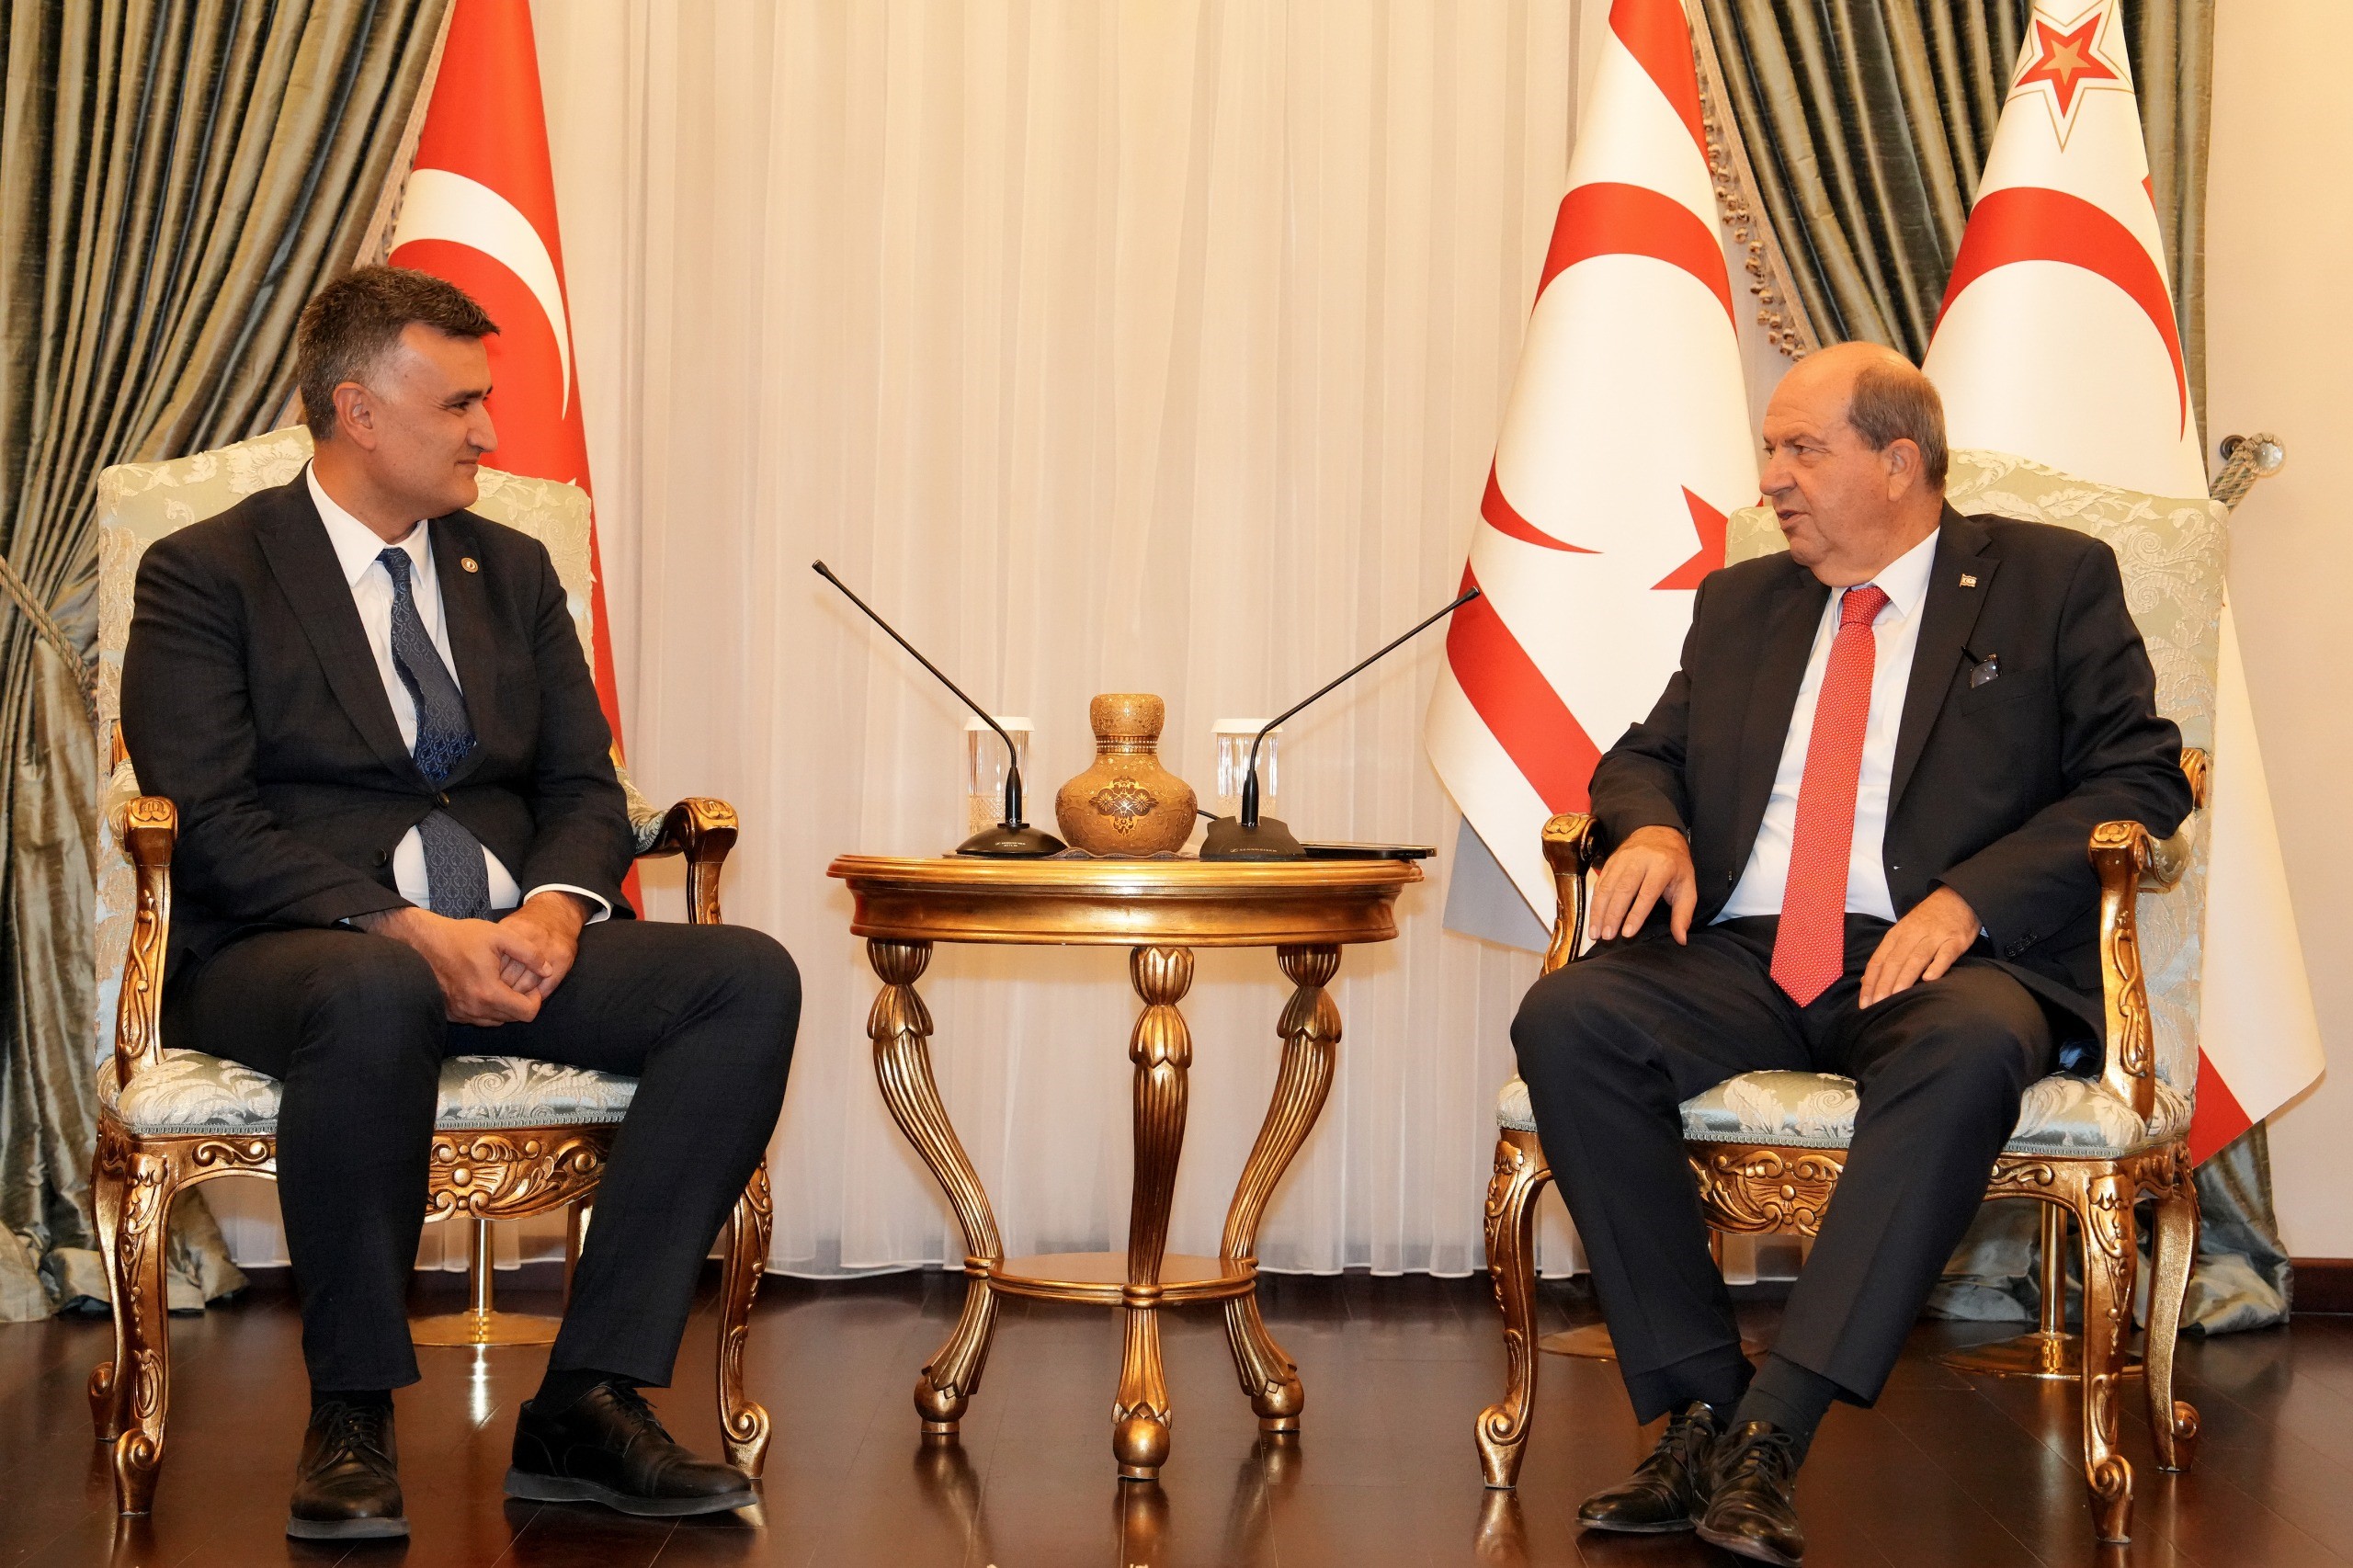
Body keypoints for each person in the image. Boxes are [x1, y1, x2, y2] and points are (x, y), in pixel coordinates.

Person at [119, 267, 801, 1541]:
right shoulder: (208, 573)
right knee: (375, 987)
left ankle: (588, 1401)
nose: (489, 431)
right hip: (296, 953)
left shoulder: (512, 568)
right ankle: (352, 1413)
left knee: (744, 976)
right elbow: (205, 818)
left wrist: (552, 914)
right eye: (460, 404)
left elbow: (581, 784)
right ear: (357, 412)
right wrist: (406, 930)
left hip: (506, 938)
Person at [1510, 343, 2190, 1566]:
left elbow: (2141, 777)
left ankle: (1775, 1427)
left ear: (1899, 461)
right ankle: (1697, 1413)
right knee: (1570, 1017)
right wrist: (1654, 826)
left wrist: (1971, 900)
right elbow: (1644, 755)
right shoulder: (1744, 603)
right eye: (1769, 450)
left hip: (1942, 956)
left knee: (1970, 1049)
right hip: (1748, 948)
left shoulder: (2049, 582)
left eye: (1800, 449)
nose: (1771, 477)